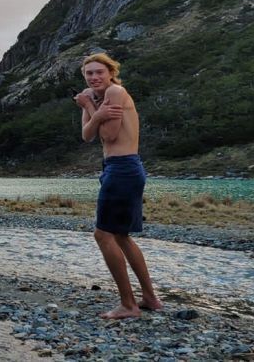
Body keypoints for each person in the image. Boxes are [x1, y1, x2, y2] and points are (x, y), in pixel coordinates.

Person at [74, 53, 163, 320]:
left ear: (110, 72)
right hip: (119, 168)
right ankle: (149, 298)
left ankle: (129, 305)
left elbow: (108, 134)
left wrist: (91, 108)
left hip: (123, 167)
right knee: (121, 235)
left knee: (103, 235)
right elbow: (87, 136)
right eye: (89, 73)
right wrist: (91, 107)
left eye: (99, 71)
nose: (94, 77)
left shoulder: (114, 91)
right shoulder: (95, 98)